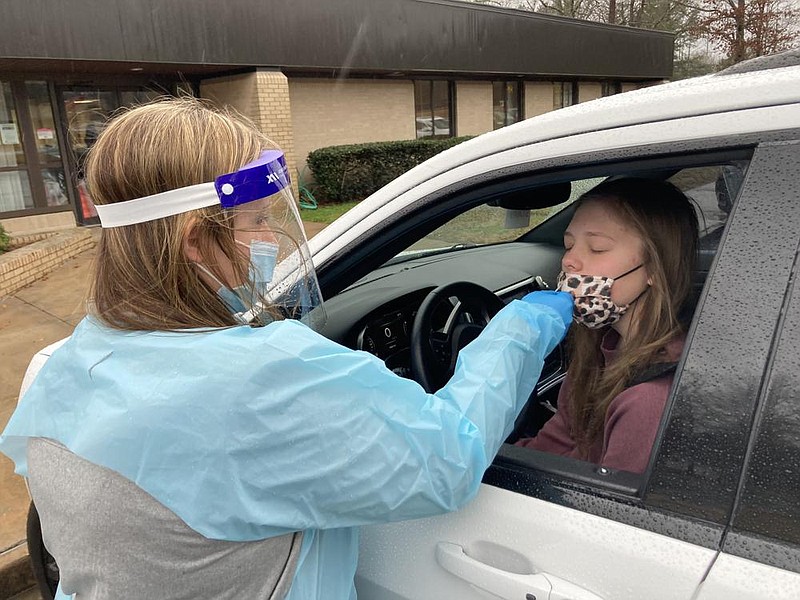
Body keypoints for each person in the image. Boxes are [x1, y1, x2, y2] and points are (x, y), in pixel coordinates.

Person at [0, 98, 573, 600]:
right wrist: (526, 323)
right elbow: (448, 458)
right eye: (256, 221)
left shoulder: (71, 361)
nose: (272, 240)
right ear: (196, 240)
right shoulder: (266, 376)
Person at [517, 177, 699, 474]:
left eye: (597, 248)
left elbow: (604, 513)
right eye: (568, 245)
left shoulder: (648, 401)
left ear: (655, 266)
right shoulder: (601, 348)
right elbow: (556, 440)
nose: (569, 261)